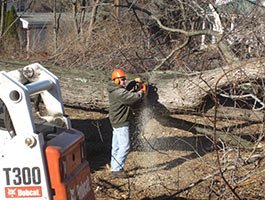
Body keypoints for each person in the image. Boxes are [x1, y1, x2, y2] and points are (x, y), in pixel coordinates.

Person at [107, 68, 146, 178]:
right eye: (122, 79)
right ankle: (117, 170)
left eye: (124, 79)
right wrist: (142, 91)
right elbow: (132, 98)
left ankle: (114, 166)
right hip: (121, 121)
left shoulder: (114, 89)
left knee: (116, 146)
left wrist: (134, 83)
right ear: (116, 80)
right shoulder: (119, 92)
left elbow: (126, 91)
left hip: (116, 121)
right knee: (125, 146)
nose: (124, 81)